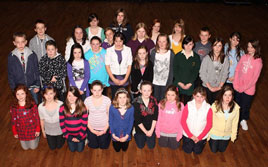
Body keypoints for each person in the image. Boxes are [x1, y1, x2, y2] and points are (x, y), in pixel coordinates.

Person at [233, 40, 263, 131]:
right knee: (236, 104)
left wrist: (243, 88)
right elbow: (237, 70)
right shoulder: (244, 57)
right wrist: (235, 83)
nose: (249, 49)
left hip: (248, 90)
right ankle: (235, 120)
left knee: (245, 106)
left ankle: (243, 119)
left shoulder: (258, 62)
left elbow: (254, 79)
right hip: (238, 87)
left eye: (252, 47)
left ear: (256, 48)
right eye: (248, 47)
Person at [8, 32, 40, 104]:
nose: (20, 44)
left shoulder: (32, 54)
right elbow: (10, 74)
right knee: (23, 105)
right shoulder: (11, 57)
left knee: (35, 104)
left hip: (32, 86)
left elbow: (36, 70)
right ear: (14, 43)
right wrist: (13, 88)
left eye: (22, 42)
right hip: (19, 88)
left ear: (26, 42)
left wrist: (37, 84)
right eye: (18, 42)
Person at [208, 85, 240, 153]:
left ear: (232, 96)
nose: (227, 98)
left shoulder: (236, 108)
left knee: (222, 150)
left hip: (226, 134)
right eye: (225, 95)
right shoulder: (214, 106)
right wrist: (208, 134)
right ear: (221, 95)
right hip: (215, 133)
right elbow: (209, 120)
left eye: (230, 95)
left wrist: (233, 135)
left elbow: (235, 123)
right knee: (213, 151)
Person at [181, 87, 212, 154]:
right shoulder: (188, 105)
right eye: (197, 96)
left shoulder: (208, 107)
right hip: (188, 134)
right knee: (187, 151)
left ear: (205, 97)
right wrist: (190, 135)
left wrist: (200, 137)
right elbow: (183, 121)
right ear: (193, 96)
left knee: (197, 152)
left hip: (201, 136)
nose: (199, 99)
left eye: (202, 96)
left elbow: (209, 125)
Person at [199, 38, 229, 104]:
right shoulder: (207, 58)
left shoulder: (225, 59)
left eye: (219, 46)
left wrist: (220, 87)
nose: (217, 48)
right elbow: (202, 73)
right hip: (207, 87)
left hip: (219, 87)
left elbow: (225, 73)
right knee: (207, 106)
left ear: (222, 47)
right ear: (212, 46)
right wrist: (210, 87)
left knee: (217, 106)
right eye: (215, 45)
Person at [10, 84, 40, 150]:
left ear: (26, 94)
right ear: (15, 95)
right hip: (21, 129)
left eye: (22, 94)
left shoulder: (32, 104)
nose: (20, 96)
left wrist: (37, 129)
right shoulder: (13, 106)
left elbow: (37, 117)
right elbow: (13, 119)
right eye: (18, 94)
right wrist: (14, 131)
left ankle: (37, 137)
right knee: (25, 148)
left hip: (32, 128)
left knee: (33, 147)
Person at [173, 35, 201, 105]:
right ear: (183, 45)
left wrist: (190, 83)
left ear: (193, 45)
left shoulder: (196, 57)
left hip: (190, 84)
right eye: (186, 44)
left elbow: (196, 71)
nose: (188, 47)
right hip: (178, 83)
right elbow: (175, 70)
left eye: (190, 44)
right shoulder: (178, 56)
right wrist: (179, 82)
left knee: (187, 103)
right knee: (176, 102)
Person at [59, 86, 88, 152]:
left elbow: (84, 124)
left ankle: (85, 139)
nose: (72, 98)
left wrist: (79, 136)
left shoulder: (83, 108)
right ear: (66, 96)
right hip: (69, 136)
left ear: (77, 96)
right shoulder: (62, 108)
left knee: (80, 150)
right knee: (72, 150)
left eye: (74, 96)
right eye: (69, 96)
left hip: (81, 135)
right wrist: (68, 136)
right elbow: (62, 124)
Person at [155, 85, 184, 149]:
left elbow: (182, 121)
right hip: (163, 131)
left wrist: (180, 133)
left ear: (176, 95)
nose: (170, 97)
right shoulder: (161, 104)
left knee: (174, 147)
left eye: (172, 95)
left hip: (174, 132)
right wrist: (157, 130)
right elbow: (158, 118)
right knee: (162, 146)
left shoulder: (180, 105)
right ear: (165, 95)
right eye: (168, 95)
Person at [84, 81, 111, 149]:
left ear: (102, 90)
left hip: (104, 127)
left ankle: (108, 136)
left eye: (99, 90)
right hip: (91, 127)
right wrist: (91, 130)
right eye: (95, 90)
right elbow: (85, 117)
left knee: (104, 147)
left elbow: (110, 116)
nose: (97, 93)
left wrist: (105, 130)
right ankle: (88, 137)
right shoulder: (87, 100)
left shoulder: (107, 100)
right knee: (93, 146)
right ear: (91, 90)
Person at [105, 32, 132, 99]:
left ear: (123, 41)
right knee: (114, 97)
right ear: (114, 41)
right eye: (116, 41)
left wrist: (125, 79)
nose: (118, 43)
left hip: (124, 77)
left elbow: (129, 66)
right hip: (113, 76)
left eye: (120, 41)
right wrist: (114, 79)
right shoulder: (109, 50)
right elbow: (107, 66)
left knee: (124, 97)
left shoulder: (128, 50)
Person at [38, 85, 65, 150]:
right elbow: (41, 120)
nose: (49, 96)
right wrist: (43, 131)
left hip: (59, 129)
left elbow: (64, 119)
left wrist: (65, 131)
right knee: (52, 147)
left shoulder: (60, 104)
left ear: (54, 94)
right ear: (43, 95)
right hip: (49, 130)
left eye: (51, 93)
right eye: (46, 94)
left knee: (59, 146)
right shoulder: (40, 107)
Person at [133, 81, 158, 149]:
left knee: (151, 146)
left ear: (151, 91)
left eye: (149, 90)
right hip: (140, 128)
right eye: (144, 90)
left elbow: (155, 117)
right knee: (140, 146)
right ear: (140, 90)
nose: (147, 93)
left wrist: (151, 130)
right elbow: (137, 120)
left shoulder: (154, 100)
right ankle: (135, 133)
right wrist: (146, 132)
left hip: (150, 127)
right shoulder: (136, 102)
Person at [150, 33, 174, 102]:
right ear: (157, 42)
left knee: (163, 101)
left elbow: (172, 69)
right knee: (155, 100)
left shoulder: (171, 54)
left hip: (166, 83)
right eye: (160, 41)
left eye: (164, 41)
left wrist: (169, 83)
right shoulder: (153, 53)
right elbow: (151, 68)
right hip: (155, 82)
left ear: (167, 42)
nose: (161, 44)